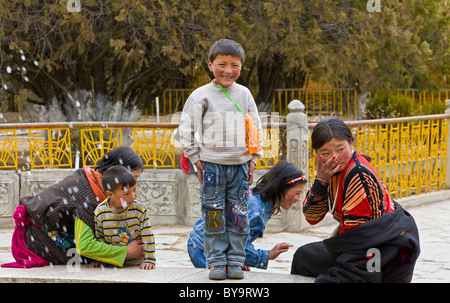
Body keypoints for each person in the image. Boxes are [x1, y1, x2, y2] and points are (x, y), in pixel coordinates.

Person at [290, 117, 420, 283]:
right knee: (304, 256)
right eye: (326, 153)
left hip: (381, 248)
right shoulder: (329, 173)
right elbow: (312, 217)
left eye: (340, 149)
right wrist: (321, 181)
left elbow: (361, 242)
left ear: (351, 143)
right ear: (316, 155)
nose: (334, 158)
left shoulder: (358, 176)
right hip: (358, 240)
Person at [179, 39, 263, 280]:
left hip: (240, 167)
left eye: (234, 65)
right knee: (213, 214)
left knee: (239, 215)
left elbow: (256, 126)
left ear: (241, 67)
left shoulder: (245, 94)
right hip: (212, 168)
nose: (228, 70)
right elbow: (186, 129)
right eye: (222, 64)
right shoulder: (201, 95)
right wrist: (195, 158)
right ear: (210, 64)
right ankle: (216, 262)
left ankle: (235, 261)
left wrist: (254, 158)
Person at [1, 146, 145, 269]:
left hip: (36, 234)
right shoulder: (90, 197)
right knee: (91, 258)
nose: (134, 189)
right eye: (133, 179)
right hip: (36, 241)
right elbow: (85, 246)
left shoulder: (92, 179)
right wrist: (126, 252)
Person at [188, 161, 307, 271]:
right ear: (279, 187)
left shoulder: (259, 203)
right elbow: (237, 244)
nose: (297, 199)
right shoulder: (256, 210)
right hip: (204, 247)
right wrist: (266, 255)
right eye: (296, 193)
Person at [91, 165, 155, 270]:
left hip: (137, 263)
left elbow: (147, 235)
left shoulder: (139, 209)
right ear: (110, 194)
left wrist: (150, 260)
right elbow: (100, 238)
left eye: (134, 189)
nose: (133, 196)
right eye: (126, 193)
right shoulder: (100, 212)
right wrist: (101, 259)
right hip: (113, 263)